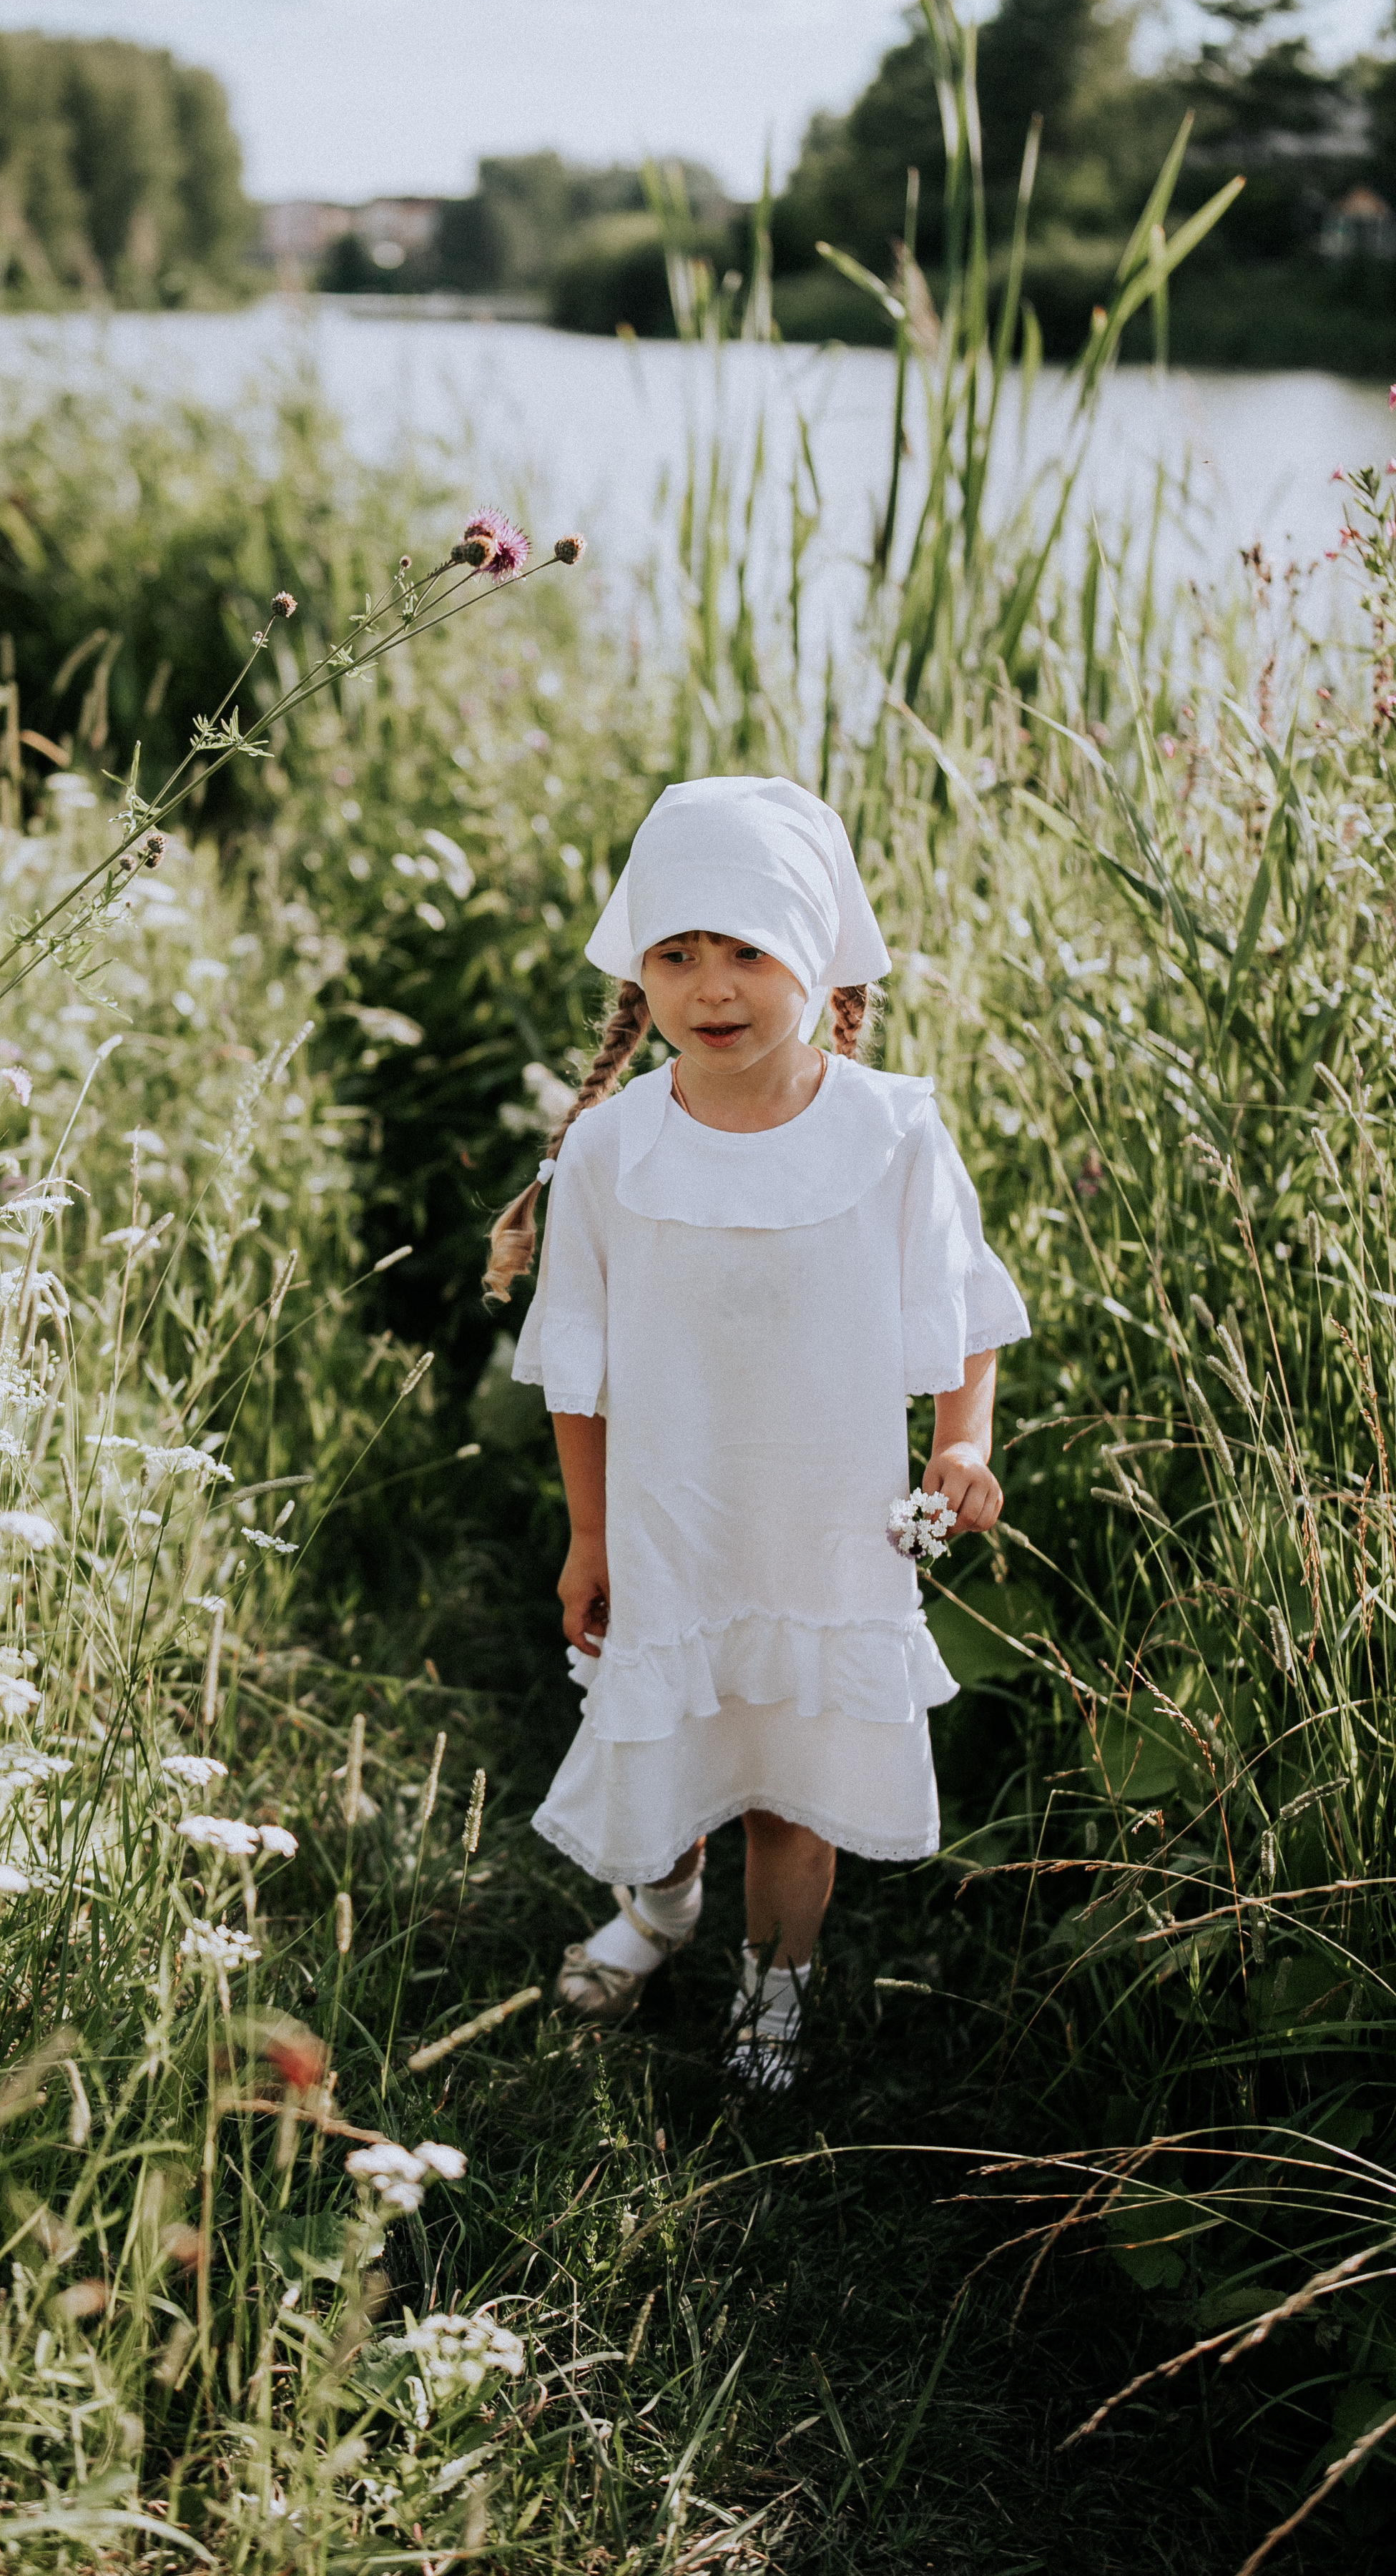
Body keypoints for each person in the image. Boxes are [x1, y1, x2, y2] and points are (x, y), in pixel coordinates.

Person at [483, 776, 1028, 2089]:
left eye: (747, 953)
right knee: (664, 1749)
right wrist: (593, 1530)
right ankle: (659, 1913)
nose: (713, 988)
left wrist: (962, 1443)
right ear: (640, 972)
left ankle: (774, 1994)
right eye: (679, 954)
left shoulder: (892, 1129)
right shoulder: (615, 1151)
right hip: (672, 1516)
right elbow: (577, 1366)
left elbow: (964, 1310)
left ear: (817, 957)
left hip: (827, 1521)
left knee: (793, 1780)